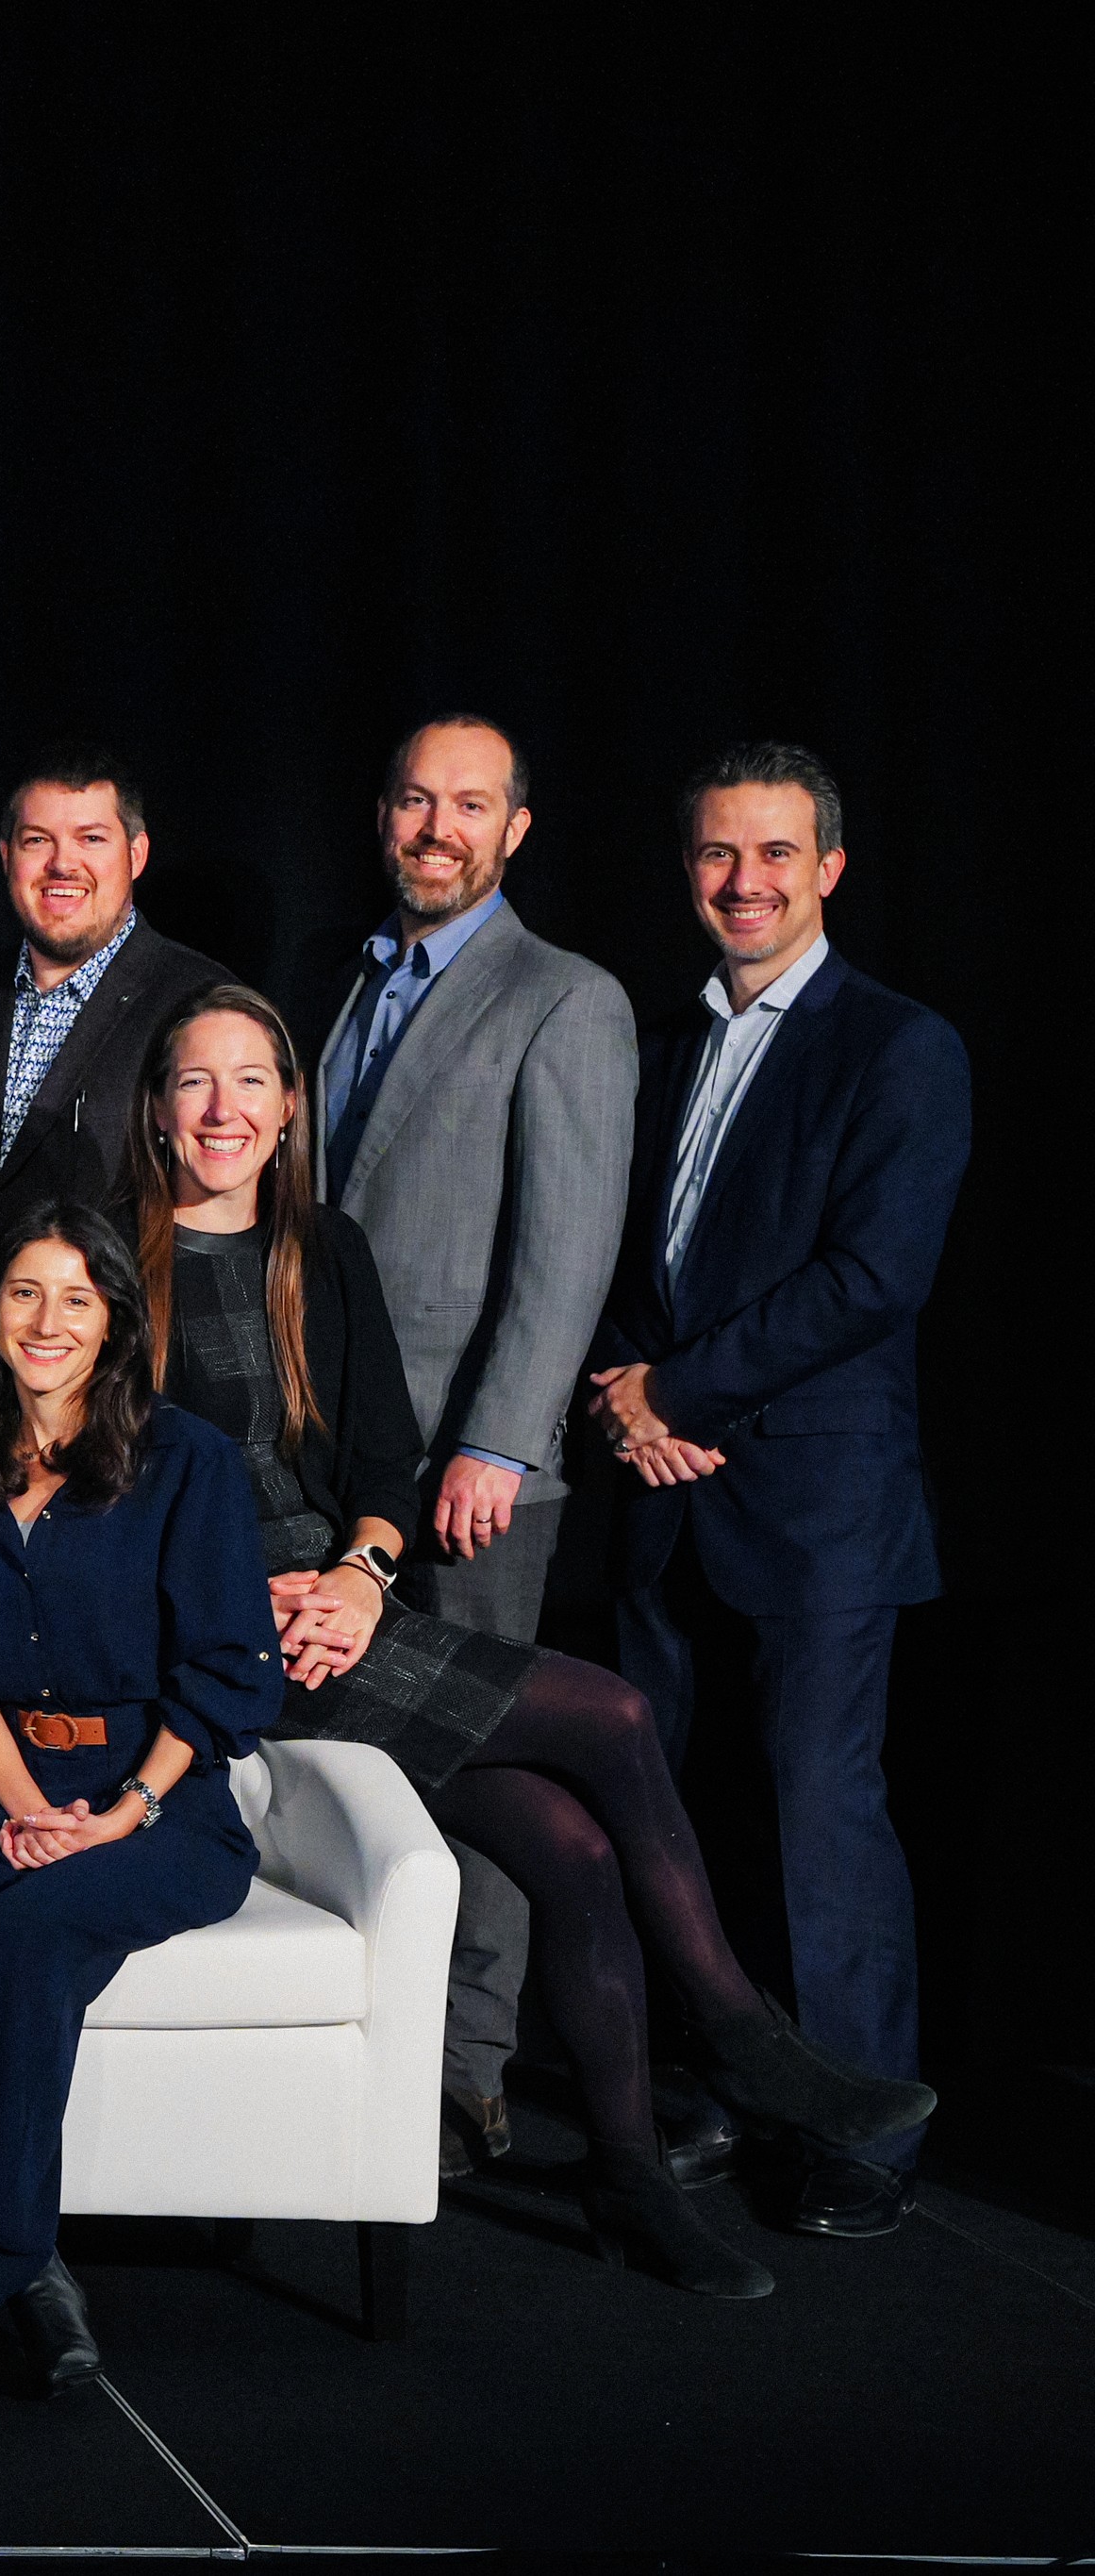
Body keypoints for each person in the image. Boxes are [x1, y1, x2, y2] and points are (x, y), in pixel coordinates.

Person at [136, 987, 932, 2296]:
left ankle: (627, 2175)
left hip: (343, 1614)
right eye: (194, 1082)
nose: (223, 1108)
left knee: (572, 1852)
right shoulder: (110, 1263)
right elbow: (98, 1496)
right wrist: (242, 1600)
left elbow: (382, 1464)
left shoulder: (322, 1249)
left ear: (288, 1111)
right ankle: (738, 2030)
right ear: (158, 1112)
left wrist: (362, 1574)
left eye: (251, 1081)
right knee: (613, 1716)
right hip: (217, 1641)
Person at [589, 743, 972, 2241]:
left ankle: (864, 2124)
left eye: (774, 854)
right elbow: (631, 1261)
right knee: (684, 1816)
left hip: (819, 1504)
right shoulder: (664, 1043)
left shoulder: (900, 1046)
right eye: (717, 853)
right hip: (663, 1491)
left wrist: (678, 1393)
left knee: (822, 1814)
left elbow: (873, 1276)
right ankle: (737, 2085)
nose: (743, 880)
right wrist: (625, 1395)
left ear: (829, 869)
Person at [0, 1203, 274, 2411]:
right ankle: (24, 2266)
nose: (48, 1320)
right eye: (25, 1292)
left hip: (164, 1800)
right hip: (4, 1781)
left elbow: (230, 1671)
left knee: (27, 1928)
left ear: (115, 1320)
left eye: (77, 1298)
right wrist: (24, 1807)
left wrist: (121, 1812)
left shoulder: (185, 1460)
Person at [311, 715, 638, 2172]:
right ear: (384, 815)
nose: (436, 825)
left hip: (469, 1466)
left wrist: (499, 1441)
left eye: (470, 803)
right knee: (377, 1754)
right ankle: (379, 2038)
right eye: (414, 799)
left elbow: (567, 1247)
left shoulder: (564, 996)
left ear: (516, 829)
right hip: (352, 1456)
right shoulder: (356, 979)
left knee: (487, 1768)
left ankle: (466, 2068)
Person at [0, 747, 227, 1334]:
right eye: (37, 841)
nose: (62, 864)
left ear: (137, 854)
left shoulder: (201, 1008)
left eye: (91, 839)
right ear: (6, 856)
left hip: (119, 1370)